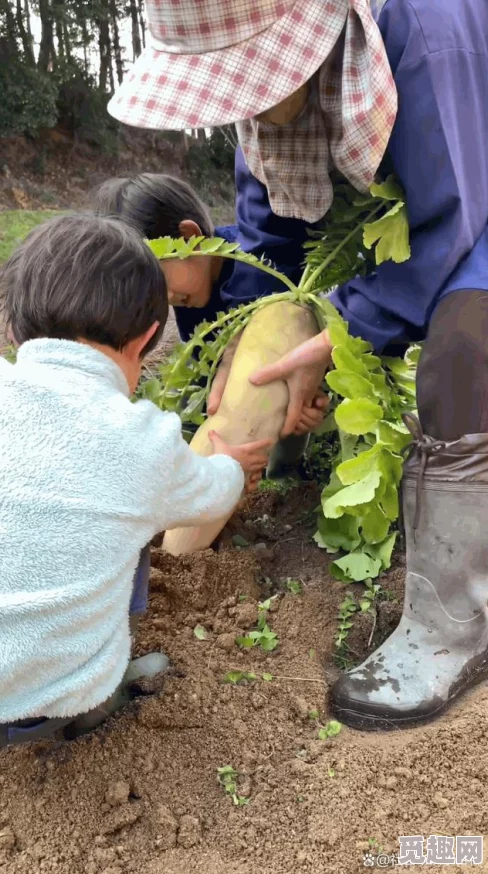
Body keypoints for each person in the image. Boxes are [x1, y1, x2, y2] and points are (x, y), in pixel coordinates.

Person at [107, 0, 488, 730]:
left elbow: (450, 225)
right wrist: (258, 336)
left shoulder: (425, 43)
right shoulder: (271, 105)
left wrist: (341, 332)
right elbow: (270, 239)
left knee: (464, 340)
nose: (233, 107)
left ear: (304, 43)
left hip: (475, 182)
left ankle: (454, 626)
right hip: (452, 188)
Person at [0, 213, 271, 747]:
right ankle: (93, 702)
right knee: (138, 522)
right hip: (45, 704)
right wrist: (237, 465)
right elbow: (216, 491)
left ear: (12, 329)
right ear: (146, 339)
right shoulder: (142, 440)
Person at [90, 173, 326, 474]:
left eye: (159, 282)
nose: (163, 300)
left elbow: (309, 343)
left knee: (289, 419)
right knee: (194, 401)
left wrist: (313, 397)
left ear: (189, 237)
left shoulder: (262, 261)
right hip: (240, 402)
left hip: (291, 373)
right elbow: (206, 370)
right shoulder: (188, 296)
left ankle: (285, 474)